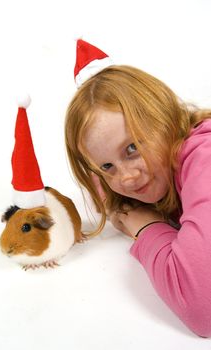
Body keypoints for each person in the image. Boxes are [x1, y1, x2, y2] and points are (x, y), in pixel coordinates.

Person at [65, 39, 211, 337]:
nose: (127, 178)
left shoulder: (204, 157)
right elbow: (103, 189)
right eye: (107, 167)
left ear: (164, 117)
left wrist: (148, 228)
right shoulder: (153, 168)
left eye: (131, 148)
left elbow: (203, 311)